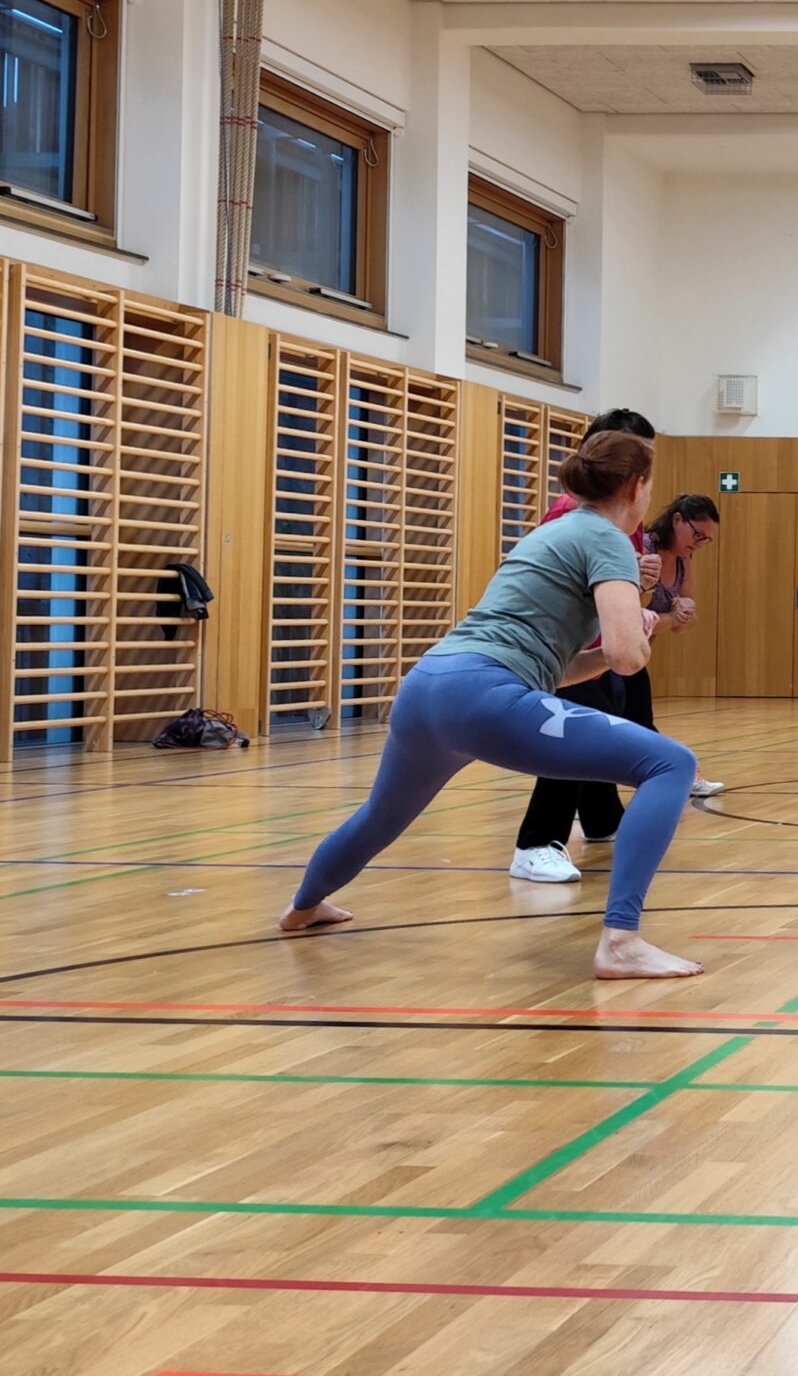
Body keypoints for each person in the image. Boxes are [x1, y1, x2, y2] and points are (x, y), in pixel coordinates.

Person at [280, 430, 704, 979]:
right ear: (635, 486)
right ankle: (621, 941)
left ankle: (303, 906)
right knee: (671, 764)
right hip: (483, 694)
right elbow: (628, 659)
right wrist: (640, 632)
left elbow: (557, 667)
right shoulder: (609, 539)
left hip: (429, 685)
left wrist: (614, 646)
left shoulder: (552, 532)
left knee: (380, 816)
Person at [508, 409, 723, 885]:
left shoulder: (624, 521)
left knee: (600, 724)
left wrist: (637, 592)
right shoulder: (575, 514)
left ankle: (602, 817)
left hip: (589, 648)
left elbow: (609, 590)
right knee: (579, 734)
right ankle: (537, 841)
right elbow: (567, 586)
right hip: (556, 648)